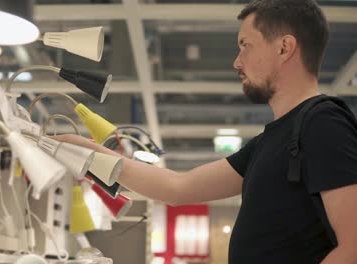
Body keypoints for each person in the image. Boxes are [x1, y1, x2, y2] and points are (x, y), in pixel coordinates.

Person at [52, 0, 357, 263]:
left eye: (245, 45)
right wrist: (89, 152)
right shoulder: (267, 142)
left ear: (284, 47)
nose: (237, 62)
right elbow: (178, 188)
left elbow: (354, 247)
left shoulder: (322, 123)